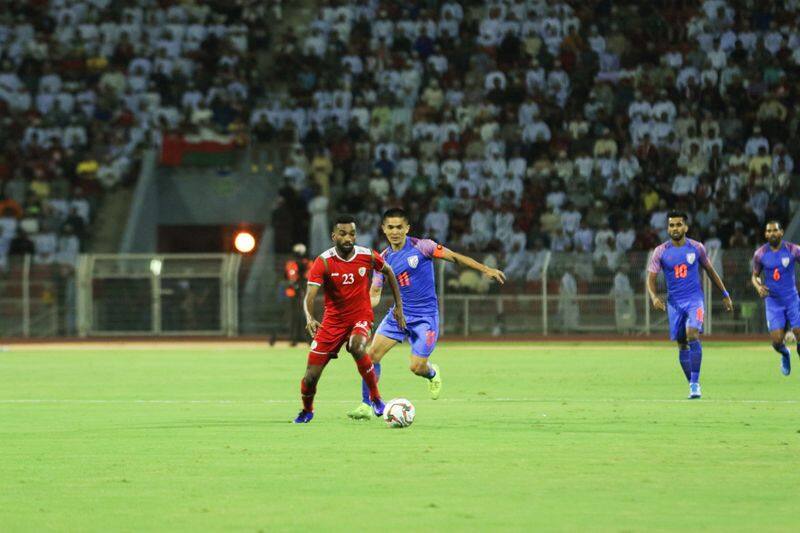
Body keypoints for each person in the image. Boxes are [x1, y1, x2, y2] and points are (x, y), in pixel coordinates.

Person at [347, 207, 506, 420]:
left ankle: (432, 373)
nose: (395, 231)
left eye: (399, 227)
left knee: (416, 366)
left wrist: (486, 269)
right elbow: (374, 293)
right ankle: (368, 405)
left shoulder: (423, 247)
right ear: (383, 229)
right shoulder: (381, 260)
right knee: (371, 355)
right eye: (391, 227)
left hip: (425, 318)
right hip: (399, 316)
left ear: (407, 228)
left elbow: (455, 258)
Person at [295, 215, 406, 423]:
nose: (348, 238)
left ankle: (376, 399)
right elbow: (309, 295)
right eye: (343, 234)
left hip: (360, 317)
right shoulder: (324, 262)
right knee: (310, 377)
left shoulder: (367, 256)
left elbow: (389, 272)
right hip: (332, 323)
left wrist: (399, 306)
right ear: (334, 236)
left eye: (352, 234)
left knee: (356, 346)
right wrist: (310, 317)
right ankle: (307, 410)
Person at [647, 211, 733, 399]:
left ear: (686, 227)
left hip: (695, 300)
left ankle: (695, 383)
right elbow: (651, 278)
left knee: (692, 333)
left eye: (678, 225)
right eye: (671, 225)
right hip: (674, 304)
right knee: (681, 344)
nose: (675, 228)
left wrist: (725, 294)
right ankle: (693, 384)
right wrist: (654, 296)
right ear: (668, 228)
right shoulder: (660, 251)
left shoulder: (697, 247)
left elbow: (710, 271)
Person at [751, 220, 800, 376]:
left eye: (775, 230)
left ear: (781, 232)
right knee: (777, 341)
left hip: (791, 299)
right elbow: (754, 276)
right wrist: (759, 287)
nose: (771, 233)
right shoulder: (760, 254)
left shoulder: (793, 250)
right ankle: (785, 353)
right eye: (769, 231)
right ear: (765, 234)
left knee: (799, 332)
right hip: (773, 302)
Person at [283, 243, 311, 346]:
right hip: (297, 293)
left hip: (302, 293)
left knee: (302, 316)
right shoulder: (297, 264)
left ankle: (304, 338)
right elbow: (289, 278)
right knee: (297, 316)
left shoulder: (305, 264)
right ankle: (297, 339)